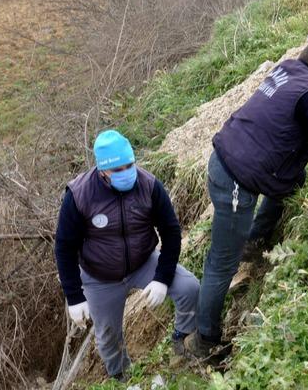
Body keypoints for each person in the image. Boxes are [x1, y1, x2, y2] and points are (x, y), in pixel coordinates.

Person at [186, 42, 308, 357]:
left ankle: (256, 239)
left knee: (295, 178)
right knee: (222, 263)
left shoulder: (290, 70)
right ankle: (205, 341)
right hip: (235, 179)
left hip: (230, 155)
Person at [54, 130, 199, 381]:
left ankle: (183, 339)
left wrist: (162, 278)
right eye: (118, 169)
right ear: (102, 171)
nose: (127, 172)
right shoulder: (79, 195)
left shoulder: (149, 186)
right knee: (107, 335)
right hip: (99, 276)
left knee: (189, 287)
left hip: (144, 262)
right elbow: (64, 247)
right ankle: (123, 377)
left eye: (130, 165)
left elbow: (171, 231)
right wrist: (74, 296)